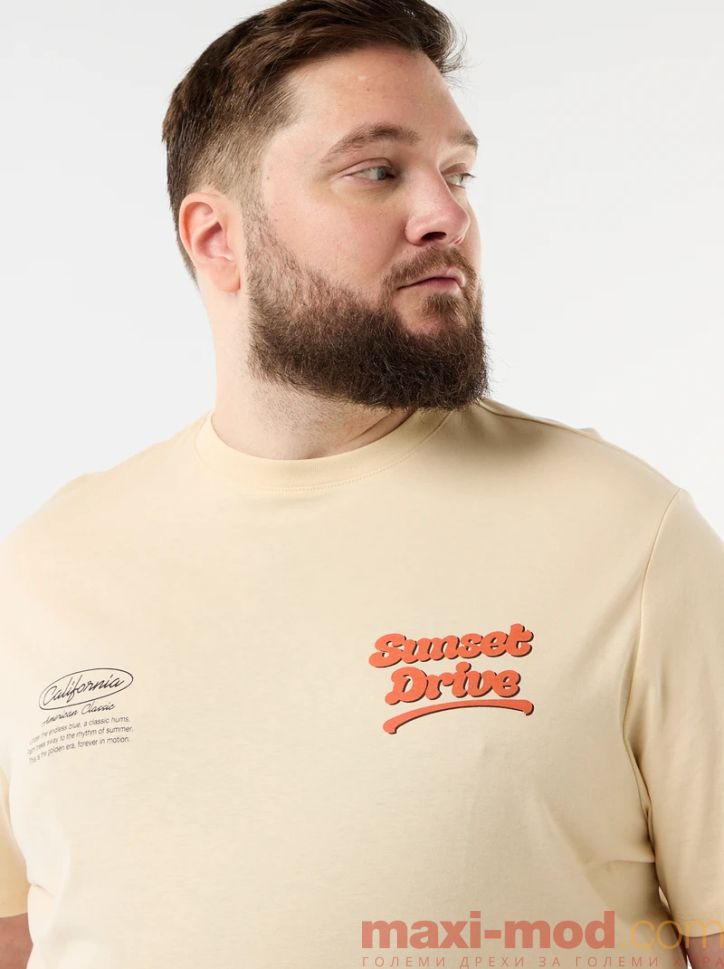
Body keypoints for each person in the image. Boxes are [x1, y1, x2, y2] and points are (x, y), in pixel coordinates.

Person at [0, 1, 722, 967]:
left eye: (457, 173)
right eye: (378, 171)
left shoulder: (631, 536)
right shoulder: (46, 571)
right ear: (217, 239)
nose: (447, 215)